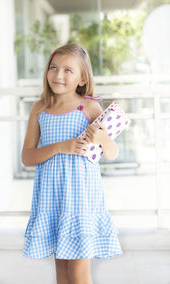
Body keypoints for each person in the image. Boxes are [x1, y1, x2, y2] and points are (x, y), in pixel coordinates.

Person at [21, 43, 123, 284]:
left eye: (68, 70)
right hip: (52, 200)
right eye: (53, 68)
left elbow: (112, 153)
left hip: (80, 202)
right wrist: (59, 146)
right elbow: (27, 157)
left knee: (78, 274)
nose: (58, 75)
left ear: (82, 78)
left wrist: (101, 138)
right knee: (62, 272)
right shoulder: (40, 109)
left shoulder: (88, 107)